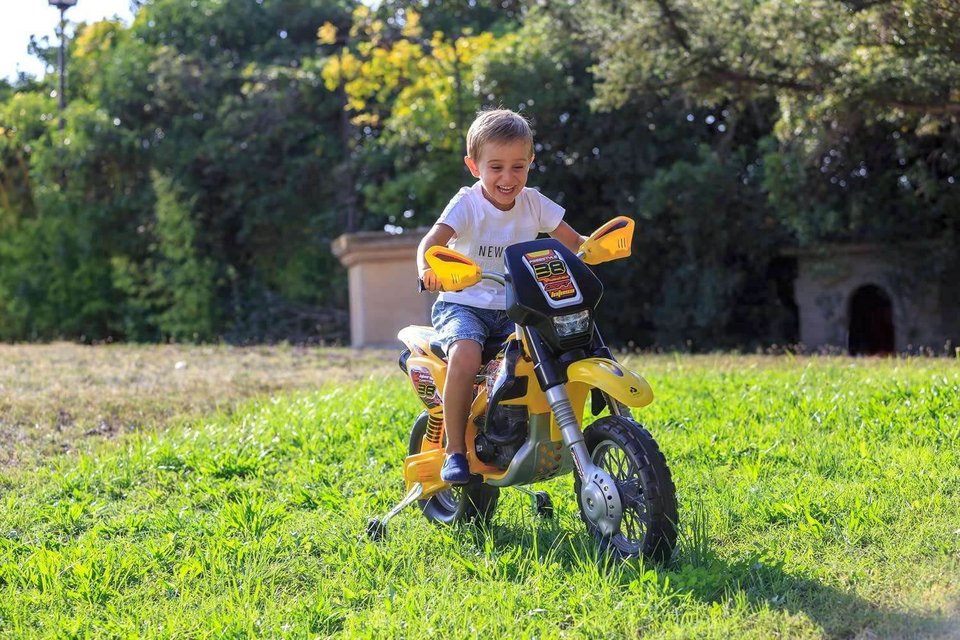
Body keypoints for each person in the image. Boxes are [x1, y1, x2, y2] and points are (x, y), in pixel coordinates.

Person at [416, 108, 585, 484]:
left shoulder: (534, 202)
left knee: (557, 348)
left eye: (517, 167)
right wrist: (427, 269)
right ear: (473, 166)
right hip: (464, 304)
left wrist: (595, 248)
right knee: (465, 354)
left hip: (516, 307)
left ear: (531, 162)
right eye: (496, 167)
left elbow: (575, 242)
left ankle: (528, 434)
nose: (508, 178)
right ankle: (454, 450)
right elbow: (431, 242)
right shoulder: (468, 204)